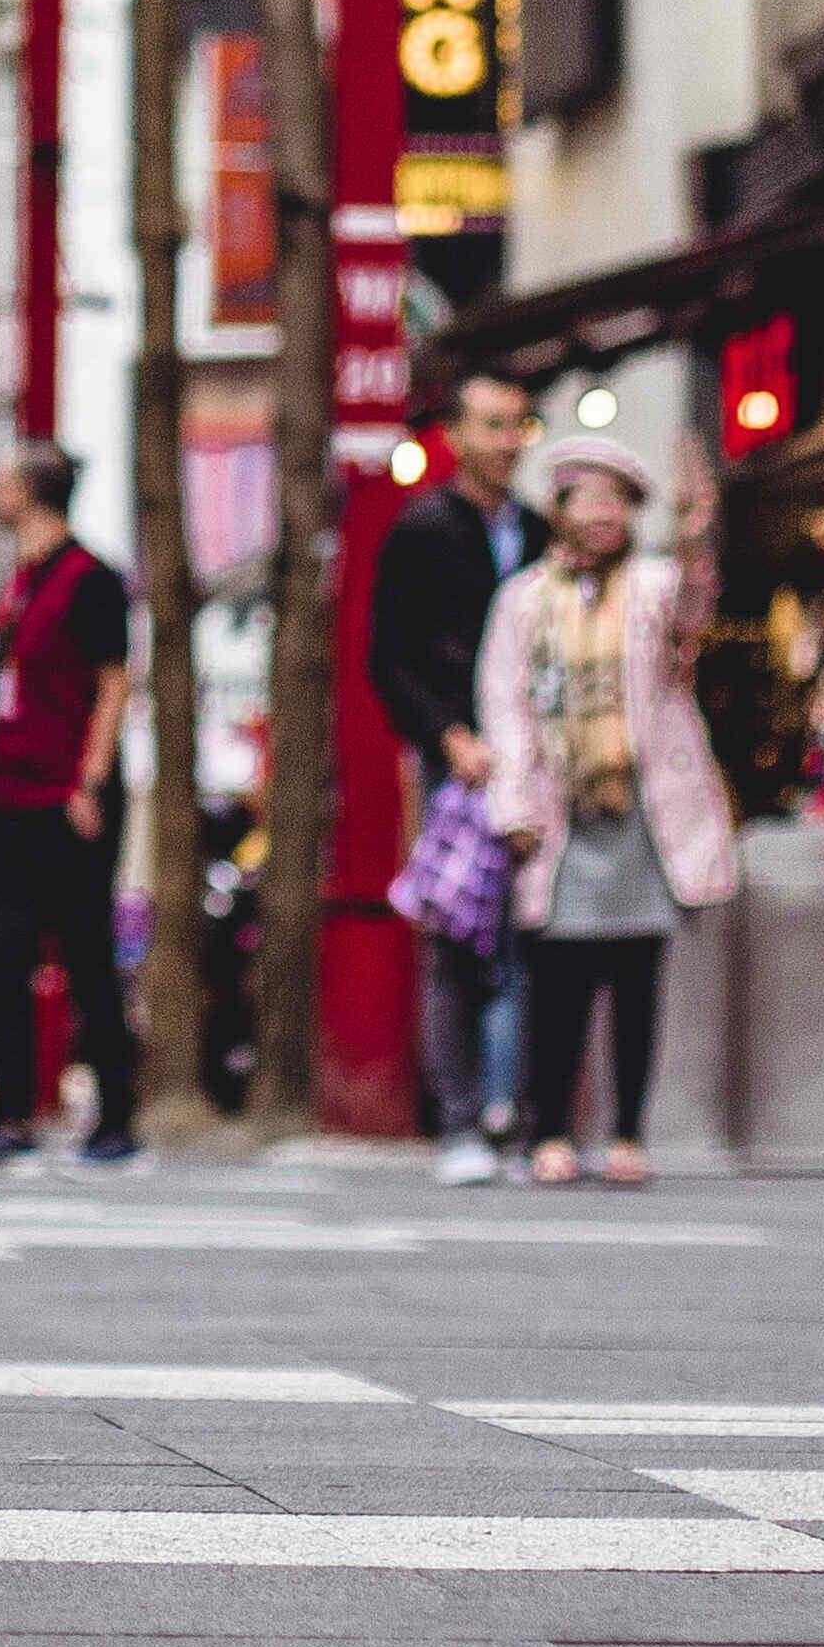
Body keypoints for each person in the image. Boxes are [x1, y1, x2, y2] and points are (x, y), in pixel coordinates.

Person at [473, 427, 740, 1187]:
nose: (601, 514)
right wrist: (514, 803)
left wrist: (695, 537)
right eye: (586, 499)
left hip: (642, 813)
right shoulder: (524, 601)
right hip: (562, 817)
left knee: (636, 980)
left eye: (616, 501)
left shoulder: (653, 587)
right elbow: (506, 704)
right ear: (558, 509)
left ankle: (626, 1132)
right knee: (556, 979)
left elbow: (693, 609)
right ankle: (549, 1128)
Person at [0, 442, 140, 1167]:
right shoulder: (22, 583)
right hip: (3, 796)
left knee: (86, 956)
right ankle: (8, 1113)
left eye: (4, 480)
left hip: (63, 799)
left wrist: (89, 781)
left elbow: (112, 683)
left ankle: (116, 1114)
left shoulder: (90, 579)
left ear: (34, 493)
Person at [365, 366, 542, 1184]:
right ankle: (462, 1121)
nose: (506, 441)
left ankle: (515, 1117)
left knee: (527, 937)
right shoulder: (422, 529)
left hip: (535, 763)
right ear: (456, 434)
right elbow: (387, 656)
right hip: (459, 767)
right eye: (492, 425)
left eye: (518, 425)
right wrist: (445, 735)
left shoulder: (539, 535)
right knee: (458, 938)